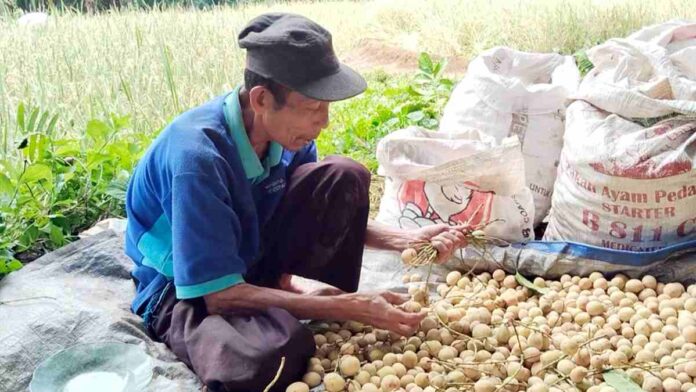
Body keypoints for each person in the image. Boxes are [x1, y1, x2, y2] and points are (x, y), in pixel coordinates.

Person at [124, 12, 467, 391]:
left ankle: (284, 290)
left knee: (343, 176)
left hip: (246, 249)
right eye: (312, 108)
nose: (324, 122)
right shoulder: (198, 159)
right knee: (271, 357)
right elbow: (220, 296)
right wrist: (349, 305)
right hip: (188, 285)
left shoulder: (285, 135)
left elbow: (316, 208)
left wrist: (406, 239)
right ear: (262, 99)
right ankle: (291, 305)